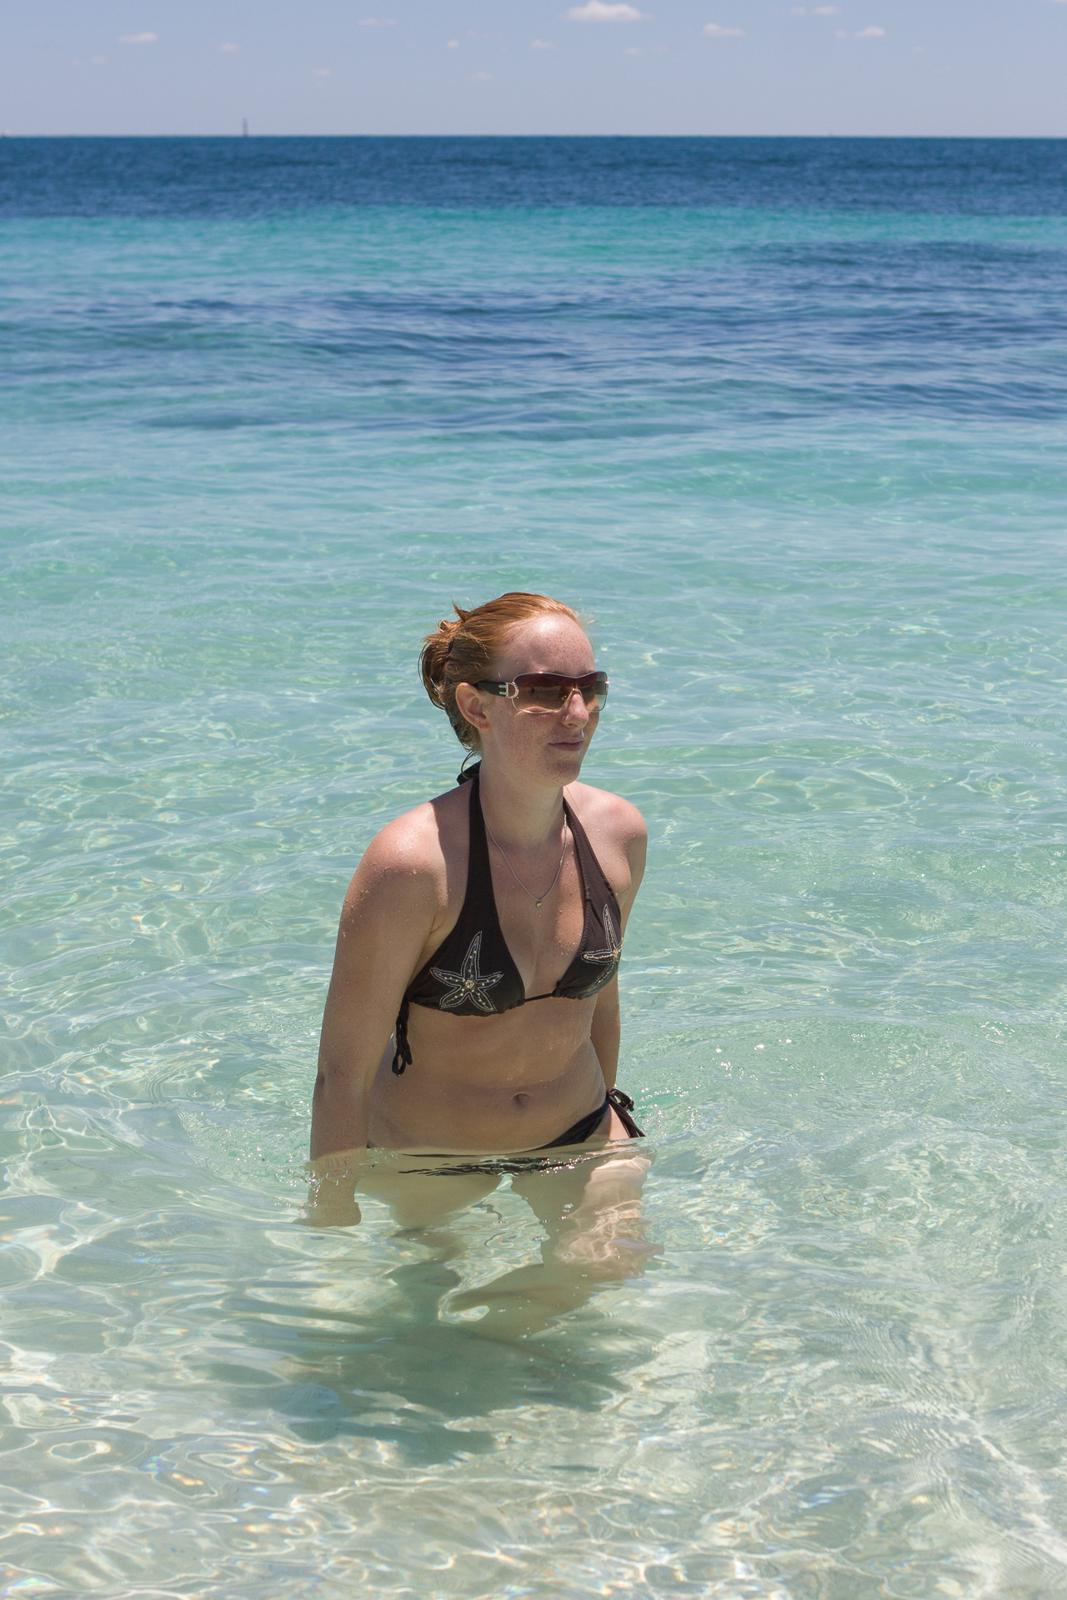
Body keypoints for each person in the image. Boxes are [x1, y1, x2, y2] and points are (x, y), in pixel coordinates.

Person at [310, 591, 647, 1183]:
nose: (577, 713)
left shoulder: (617, 835)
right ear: (476, 706)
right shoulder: (414, 866)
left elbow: (602, 1008)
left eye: (590, 688)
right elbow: (342, 1076)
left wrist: (606, 1128)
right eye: (545, 691)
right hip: (430, 1159)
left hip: (580, 1134)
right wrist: (333, 1218)